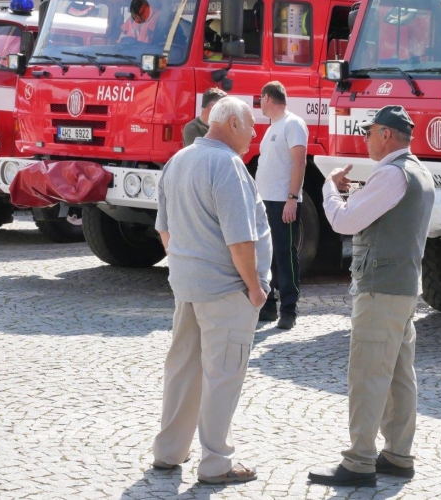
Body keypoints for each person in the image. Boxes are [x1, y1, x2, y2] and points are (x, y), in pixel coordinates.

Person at [308, 105, 435, 487]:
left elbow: (343, 221)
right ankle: (397, 454)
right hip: (402, 287)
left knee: (367, 374)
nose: (365, 139)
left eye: (369, 132)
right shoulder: (417, 171)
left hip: (381, 289)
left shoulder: (392, 174)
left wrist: (330, 188)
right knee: (398, 375)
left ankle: (359, 461)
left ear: (386, 135)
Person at [152, 96, 271, 485]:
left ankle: (169, 452)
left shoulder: (179, 160)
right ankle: (216, 462)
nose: (255, 133)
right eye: (251, 125)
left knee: (183, 371)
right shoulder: (227, 165)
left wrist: (188, 265)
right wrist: (255, 289)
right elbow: (241, 241)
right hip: (225, 291)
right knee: (222, 376)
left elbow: (164, 230)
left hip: (187, 288)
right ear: (232, 123)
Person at [255, 81, 308, 330]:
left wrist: (292, 198)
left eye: (260, 98)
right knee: (267, 256)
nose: (259, 103)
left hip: (281, 202)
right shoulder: (272, 128)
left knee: (285, 256)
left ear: (267, 98)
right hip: (265, 202)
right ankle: (268, 306)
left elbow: (300, 163)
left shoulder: (293, 123)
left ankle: (289, 309)